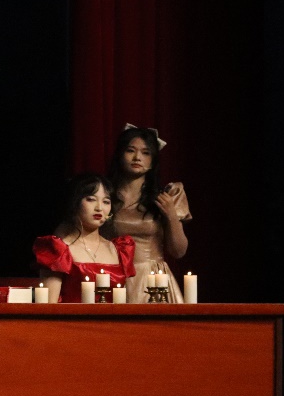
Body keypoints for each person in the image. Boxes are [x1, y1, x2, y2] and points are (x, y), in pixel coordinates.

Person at [106, 124, 190, 303]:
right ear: (120, 154)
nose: (137, 157)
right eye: (131, 151)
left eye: (146, 153)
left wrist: (171, 215)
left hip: (153, 279)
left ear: (153, 161)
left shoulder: (165, 196)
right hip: (115, 276)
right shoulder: (105, 197)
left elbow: (178, 251)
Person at [35, 173, 136, 303]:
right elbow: (48, 305)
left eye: (106, 202)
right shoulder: (58, 250)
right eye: (91, 199)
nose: (99, 208)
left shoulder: (119, 249)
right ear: (75, 202)